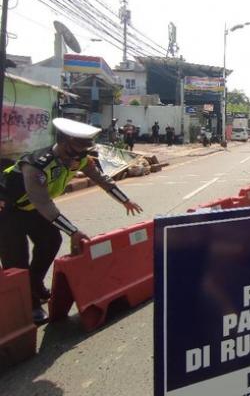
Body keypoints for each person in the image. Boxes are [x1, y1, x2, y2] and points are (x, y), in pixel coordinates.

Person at [0, 118, 143, 324]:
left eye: (85, 149)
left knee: (50, 241)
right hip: (8, 210)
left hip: (31, 208)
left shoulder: (80, 158)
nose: (81, 156)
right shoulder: (36, 165)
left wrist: (126, 201)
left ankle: (34, 284)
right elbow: (44, 205)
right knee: (16, 262)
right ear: (64, 143)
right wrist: (73, 231)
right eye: (78, 150)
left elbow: (102, 179)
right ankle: (28, 304)